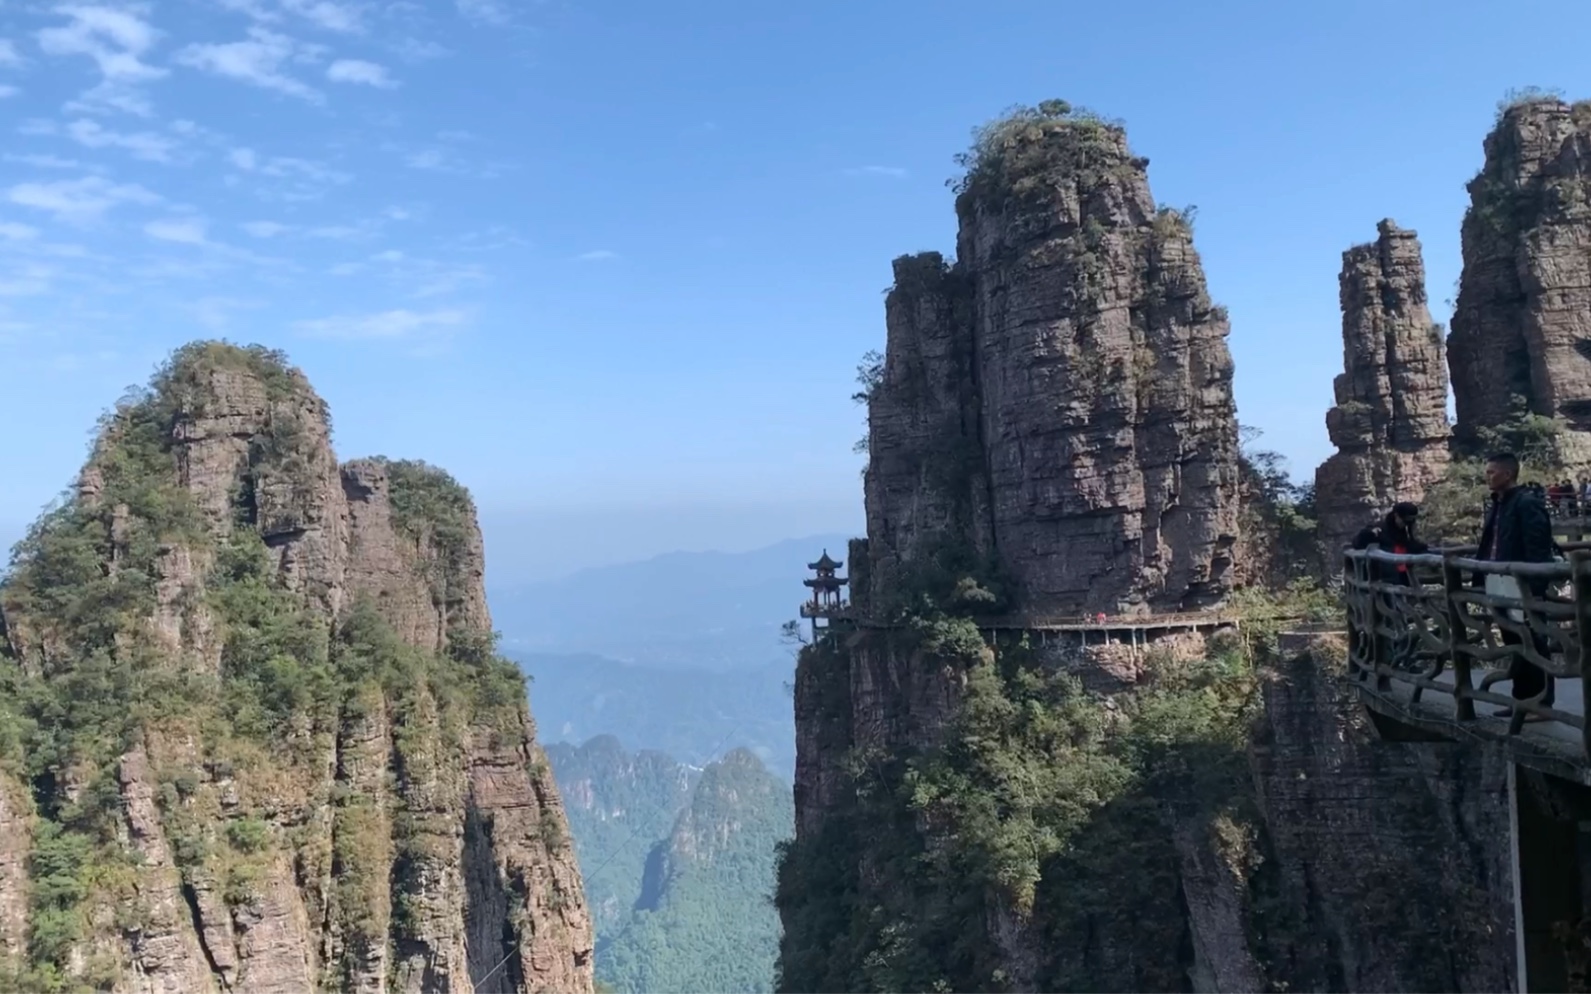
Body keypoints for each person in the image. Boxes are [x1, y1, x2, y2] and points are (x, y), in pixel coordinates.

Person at [1475, 452, 1556, 716]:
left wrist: (1535, 586)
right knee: (1514, 641)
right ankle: (1522, 700)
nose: (1487, 476)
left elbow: (1538, 546)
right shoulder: (1499, 504)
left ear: (1507, 474)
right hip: (1499, 580)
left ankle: (1541, 702)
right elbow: (1491, 544)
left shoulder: (1526, 503)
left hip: (1520, 582)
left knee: (1533, 640)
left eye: (1491, 471)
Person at [1351, 501, 1428, 585]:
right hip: (1383, 579)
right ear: (1396, 516)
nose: (1406, 525)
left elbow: (1408, 546)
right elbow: (1357, 543)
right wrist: (1368, 534)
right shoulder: (1379, 529)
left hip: (1401, 576)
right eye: (1405, 522)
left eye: (1410, 523)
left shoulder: (1404, 532)